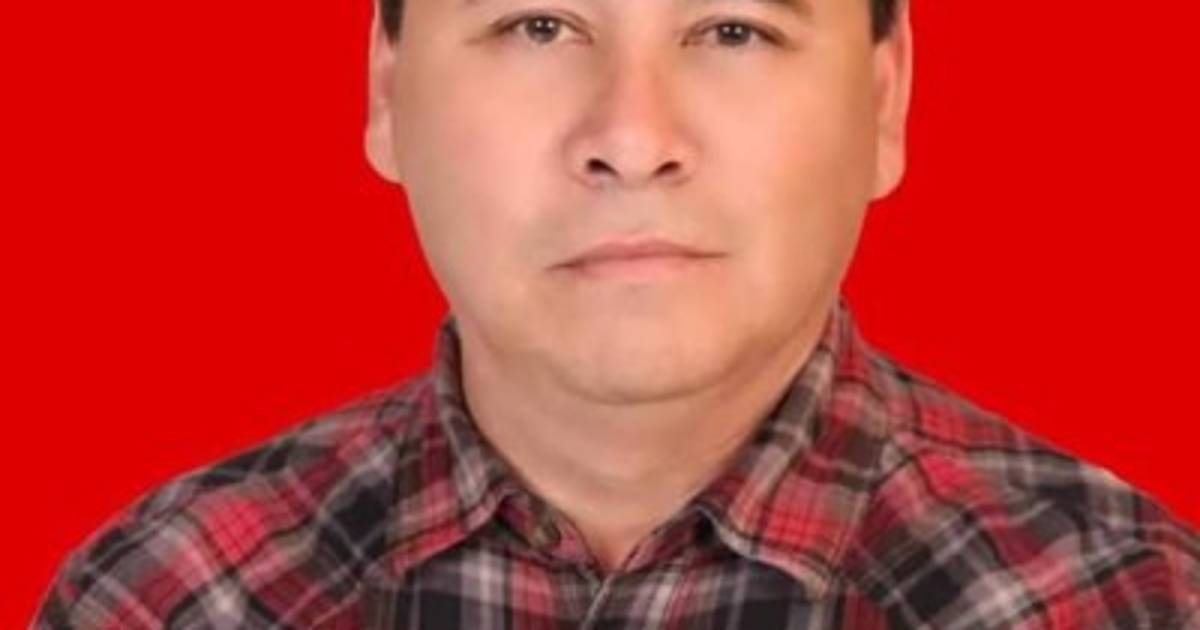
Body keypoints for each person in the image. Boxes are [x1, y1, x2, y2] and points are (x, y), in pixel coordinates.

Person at [32, 0, 1200, 626]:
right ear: (387, 90)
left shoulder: (1129, 602)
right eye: (538, 26)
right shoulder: (163, 598)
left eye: (733, 30)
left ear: (885, 98)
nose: (633, 139)